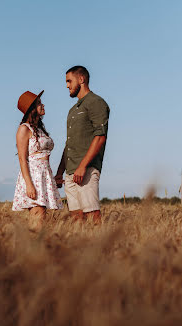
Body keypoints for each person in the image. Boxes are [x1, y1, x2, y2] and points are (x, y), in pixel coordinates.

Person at [55, 66, 110, 223]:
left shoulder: (96, 102)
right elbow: (69, 144)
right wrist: (60, 172)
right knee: (77, 220)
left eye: (69, 81)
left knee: (92, 217)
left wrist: (83, 166)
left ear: (81, 79)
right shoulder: (73, 110)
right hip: (70, 173)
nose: (67, 85)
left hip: (86, 169)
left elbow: (100, 137)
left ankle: (99, 247)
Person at [12, 90, 63, 228]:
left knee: (42, 218)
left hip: (44, 174)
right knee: (38, 217)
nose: (43, 105)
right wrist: (29, 184)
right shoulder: (24, 129)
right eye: (39, 103)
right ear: (32, 109)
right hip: (33, 176)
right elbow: (22, 159)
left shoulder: (39, 129)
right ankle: (32, 246)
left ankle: (37, 247)